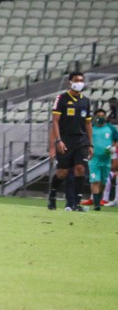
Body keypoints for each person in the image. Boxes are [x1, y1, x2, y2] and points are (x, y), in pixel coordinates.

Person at [48, 71, 93, 211]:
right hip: (65, 139)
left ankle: (77, 203)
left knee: (80, 168)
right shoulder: (61, 98)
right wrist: (57, 141)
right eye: (76, 80)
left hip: (81, 140)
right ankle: (53, 194)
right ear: (70, 82)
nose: (79, 82)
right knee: (62, 172)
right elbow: (55, 121)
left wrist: (90, 143)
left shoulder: (86, 101)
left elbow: (88, 124)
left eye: (81, 80)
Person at [80, 109, 118, 210]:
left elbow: (116, 141)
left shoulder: (111, 129)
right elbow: (85, 141)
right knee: (95, 180)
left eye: (102, 115)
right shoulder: (91, 129)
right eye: (98, 115)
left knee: (103, 182)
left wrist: (114, 148)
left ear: (105, 117)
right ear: (95, 117)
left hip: (106, 159)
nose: (100, 117)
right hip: (94, 159)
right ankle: (97, 205)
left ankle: (98, 198)